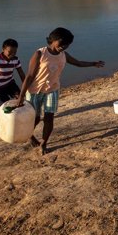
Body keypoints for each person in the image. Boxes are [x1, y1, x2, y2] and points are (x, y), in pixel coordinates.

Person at [15, 27, 105, 155]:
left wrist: (93, 63)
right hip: (35, 90)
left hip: (52, 90)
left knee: (49, 118)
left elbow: (78, 63)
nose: (64, 47)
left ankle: (43, 143)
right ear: (53, 40)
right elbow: (29, 76)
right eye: (61, 43)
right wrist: (21, 95)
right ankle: (30, 136)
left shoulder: (63, 55)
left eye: (67, 44)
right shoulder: (40, 54)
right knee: (34, 119)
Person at [0, 38, 25, 102]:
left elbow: (21, 73)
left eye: (14, 52)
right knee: (6, 102)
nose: (12, 55)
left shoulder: (16, 59)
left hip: (10, 83)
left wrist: (26, 85)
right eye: (10, 52)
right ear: (3, 49)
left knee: (20, 98)